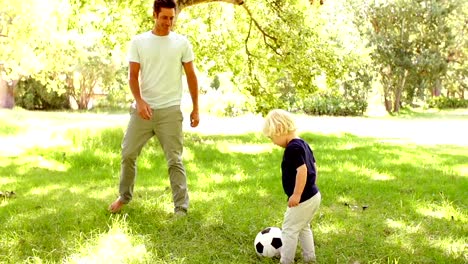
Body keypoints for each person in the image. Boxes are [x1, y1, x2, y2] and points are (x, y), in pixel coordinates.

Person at [109, 0, 199, 216]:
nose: (168, 22)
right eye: (164, 17)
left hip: (170, 111)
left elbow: (191, 76)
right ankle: (124, 196)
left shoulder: (181, 43)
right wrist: (139, 101)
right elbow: (132, 76)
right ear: (154, 15)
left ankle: (181, 208)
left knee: (174, 160)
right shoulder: (139, 42)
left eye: (172, 17)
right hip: (143, 110)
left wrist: (196, 108)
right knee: (128, 153)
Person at [262, 109, 321, 264]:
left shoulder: (292, 148)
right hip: (313, 195)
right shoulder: (303, 144)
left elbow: (302, 170)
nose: (273, 142)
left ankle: (286, 261)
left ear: (280, 130)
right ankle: (310, 258)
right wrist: (312, 185)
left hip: (303, 198)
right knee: (303, 227)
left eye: (272, 137)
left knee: (289, 229)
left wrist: (296, 194)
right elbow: (314, 166)